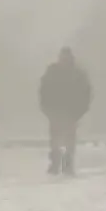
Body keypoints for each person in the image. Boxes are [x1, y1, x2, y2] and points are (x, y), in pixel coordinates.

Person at [38, 47, 93, 176]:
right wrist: (46, 108)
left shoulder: (76, 73)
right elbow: (43, 90)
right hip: (56, 111)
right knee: (56, 140)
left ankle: (65, 164)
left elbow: (86, 93)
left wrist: (80, 110)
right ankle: (56, 163)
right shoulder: (55, 71)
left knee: (67, 140)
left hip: (70, 112)